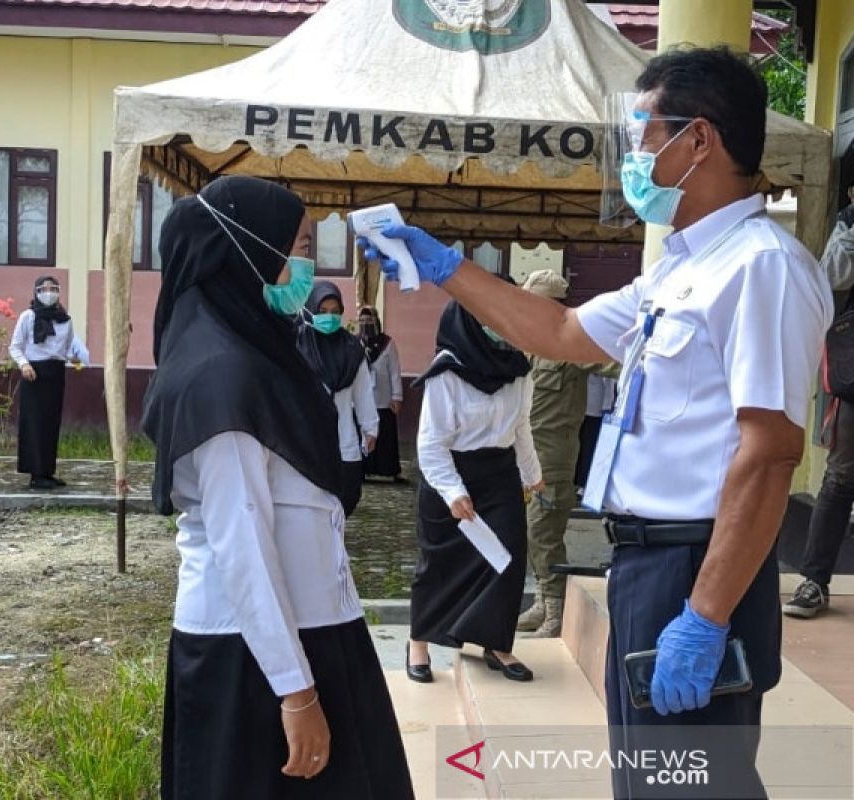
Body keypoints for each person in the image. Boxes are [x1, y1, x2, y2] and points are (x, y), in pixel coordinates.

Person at [363, 47, 832, 798]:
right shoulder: (681, 268)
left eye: (645, 132)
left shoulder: (760, 268)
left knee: (692, 784)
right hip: (648, 562)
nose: (635, 157)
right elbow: (560, 332)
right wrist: (445, 265)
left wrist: (705, 617)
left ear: (700, 140)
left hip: (697, 566)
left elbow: (772, 453)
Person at [143, 175, 413, 799]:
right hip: (255, 654)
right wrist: (295, 690)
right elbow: (243, 545)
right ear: (247, 249)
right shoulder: (222, 375)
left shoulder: (258, 355)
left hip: (315, 630)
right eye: (295, 244)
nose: (304, 264)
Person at [406, 299, 543, 685]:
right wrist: (452, 492)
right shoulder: (446, 372)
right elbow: (430, 443)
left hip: (498, 474)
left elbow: (521, 428)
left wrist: (533, 474)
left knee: (508, 557)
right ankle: (419, 642)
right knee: (438, 565)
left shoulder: (518, 368)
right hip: (448, 473)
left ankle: (496, 643)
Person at [516, 269, 618, 638]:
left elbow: (618, 363)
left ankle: (555, 609)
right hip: (522, 454)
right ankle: (544, 601)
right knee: (528, 532)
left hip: (554, 457)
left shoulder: (570, 342)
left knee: (544, 531)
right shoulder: (523, 343)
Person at [783, 184, 854, 618]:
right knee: (842, 475)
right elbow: (831, 277)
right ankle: (814, 582)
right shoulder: (846, 227)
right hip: (853, 380)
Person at [297, 282, 377, 517]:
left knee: (347, 498)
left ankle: (332, 543)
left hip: (345, 443)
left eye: (335, 312)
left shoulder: (352, 350)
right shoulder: (297, 347)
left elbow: (363, 392)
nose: (329, 317)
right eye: (323, 311)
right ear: (311, 310)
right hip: (304, 443)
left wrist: (370, 427)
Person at [9, 275, 89, 490]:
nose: (49, 292)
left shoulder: (65, 319)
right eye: (44, 288)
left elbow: (68, 347)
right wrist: (24, 364)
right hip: (33, 373)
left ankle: (47, 471)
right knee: (34, 423)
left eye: (54, 288)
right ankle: (35, 474)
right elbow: (15, 346)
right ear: (36, 292)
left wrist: (76, 358)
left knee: (51, 423)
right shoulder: (28, 316)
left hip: (55, 373)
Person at [359, 306, 406, 483]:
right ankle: (363, 469)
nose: (365, 325)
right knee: (364, 434)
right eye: (362, 321)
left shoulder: (388, 344)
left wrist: (397, 396)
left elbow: (394, 370)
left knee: (385, 437)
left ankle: (390, 470)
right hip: (363, 400)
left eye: (369, 321)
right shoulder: (356, 343)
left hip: (384, 400)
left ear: (376, 321)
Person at [575, 372, 617, 490]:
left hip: (594, 408)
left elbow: (608, 380)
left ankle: (584, 484)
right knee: (584, 447)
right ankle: (580, 482)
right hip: (586, 407)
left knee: (589, 447)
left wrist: (607, 405)